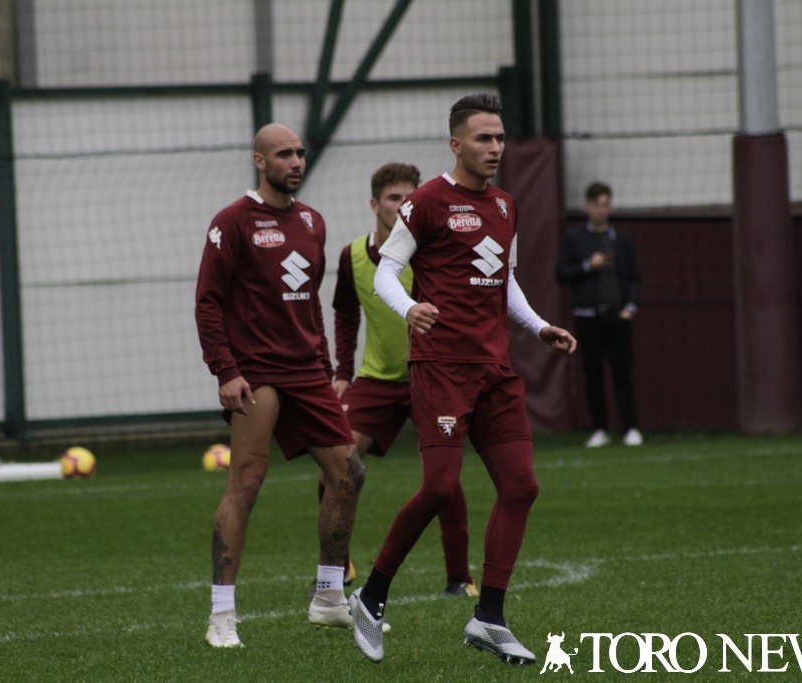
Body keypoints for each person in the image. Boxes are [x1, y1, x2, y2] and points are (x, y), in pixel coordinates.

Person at [347, 94, 577, 666]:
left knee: (522, 486)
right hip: (441, 369)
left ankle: (489, 618)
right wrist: (410, 311)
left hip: (494, 369)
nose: (494, 148)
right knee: (442, 487)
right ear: (456, 144)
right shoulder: (425, 203)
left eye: (500, 138)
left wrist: (540, 324)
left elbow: (507, 281)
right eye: (482, 138)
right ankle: (370, 599)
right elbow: (387, 274)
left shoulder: (505, 205)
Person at [194, 123, 366, 648]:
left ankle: (329, 596)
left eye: (300, 153)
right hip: (256, 373)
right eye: (284, 154)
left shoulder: (313, 222)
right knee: (245, 484)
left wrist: (328, 364)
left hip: (307, 371)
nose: (295, 161)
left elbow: (310, 301)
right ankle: (222, 616)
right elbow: (207, 302)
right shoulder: (232, 222)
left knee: (349, 474)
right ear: (259, 161)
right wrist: (225, 371)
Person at [325, 162, 476, 598]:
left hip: (429, 375)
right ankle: (340, 563)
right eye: (394, 198)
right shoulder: (353, 255)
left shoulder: (430, 250)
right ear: (374, 204)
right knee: (337, 467)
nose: (403, 206)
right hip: (375, 379)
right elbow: (345, 314)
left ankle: (459, 578)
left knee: (444, 481)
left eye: (410, 198)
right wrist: (342, 372)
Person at [555, 181, 642, 448]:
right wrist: (587, 265)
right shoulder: (575, 238)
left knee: (622, 373)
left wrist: (631, 306)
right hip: (587, 317)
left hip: (617, 316)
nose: (601, 210)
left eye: (605, 205)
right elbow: (561, 273)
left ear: (610, 207)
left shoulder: (622, 239)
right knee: (592, 375)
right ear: (587, 207)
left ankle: (631, 428)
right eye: (596, 205)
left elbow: (633, 277)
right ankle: (600, 429)